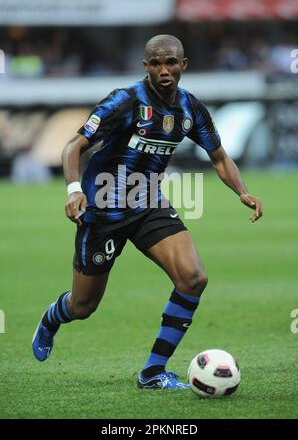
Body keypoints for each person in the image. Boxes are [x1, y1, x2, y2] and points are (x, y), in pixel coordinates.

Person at [32, 34, 262, 389]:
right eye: (155, 63)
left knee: (193, 278)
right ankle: (51, 318)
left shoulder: (189, 108)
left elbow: (219, 157)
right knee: (83, 306)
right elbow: (73, 146)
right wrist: (74, 190)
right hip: (104, 209)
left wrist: (243, 192)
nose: (164, 70)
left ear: (183, 65)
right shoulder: (125, 102)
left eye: (171, 62)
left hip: (148, 203)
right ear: (146, 67)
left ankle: (153, 372)